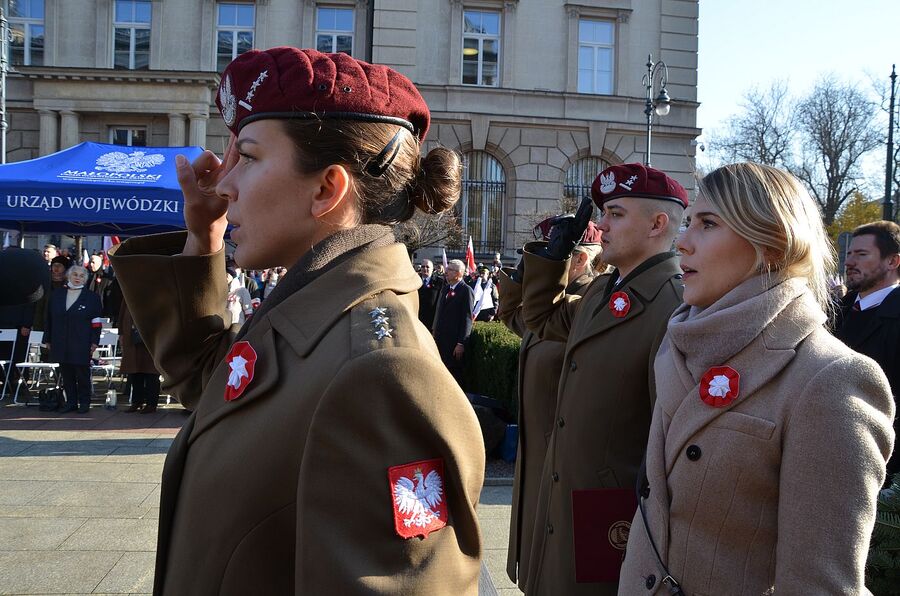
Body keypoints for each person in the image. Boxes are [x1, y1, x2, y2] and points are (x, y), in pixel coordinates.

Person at [109, 47, 484, 595]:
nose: (223, 184)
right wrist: (203, 241)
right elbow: (215, 388)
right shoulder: (314, 307)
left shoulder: (380, 370)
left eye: (250, 158)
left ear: (327, 189)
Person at [619, 163, 895, 594]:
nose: (683, 241)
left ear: (772, 245)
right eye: (689, 221)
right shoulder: (678, 345)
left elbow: (819, 585)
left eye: (708, 224)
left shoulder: (832, 378)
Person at [500, 163, 686, 595]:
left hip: (615, 514)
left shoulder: (673, 305)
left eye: (616, 214)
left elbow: (671, 438)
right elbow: (541, 319)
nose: (601, 226)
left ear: (658, 223)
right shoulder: (603, 292)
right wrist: (552, 257)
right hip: (566, 498)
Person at [498, 219, 604, 592]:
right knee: (535, 564)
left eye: (558, 252)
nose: (548, 257)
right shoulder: (554, 302)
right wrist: (518, 276)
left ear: (581, 259)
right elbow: (518, 321)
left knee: (558, 568)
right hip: (538, 454)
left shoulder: (586, 300)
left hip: (562, 458)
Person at [832, 220, 900, 473]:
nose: (849, 262)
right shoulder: (836, 311)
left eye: (862, 255)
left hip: (880, 464)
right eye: (850, 254)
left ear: (893, 262)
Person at [46, 265, 102, 414]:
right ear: (69, 276)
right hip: (60, 340)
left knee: (82, 374)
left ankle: (84, 402)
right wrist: (48, 339)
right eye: (75, 275)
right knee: (66, 374)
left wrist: (95, 341)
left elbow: (96, 322)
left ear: (85, 279)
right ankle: (71, 402)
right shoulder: (57, 295)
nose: (78, 278)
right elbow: (49, 319)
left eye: (81, 275)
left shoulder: (92, 298)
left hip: (81, 341)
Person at [431, 259, 475, 384]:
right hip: (441, 340)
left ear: (459, 273)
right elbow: (440, 313)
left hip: (453, 344)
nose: (446, 272)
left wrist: (461, 343)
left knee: (453, 376)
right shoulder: (445, 289)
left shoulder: (466, 291)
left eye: (450, 269)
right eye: (447, 268)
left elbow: (467, 319)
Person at [119, 296, 161, 414]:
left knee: (151, 372)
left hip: (152, 337)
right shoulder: (129, 287)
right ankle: (136, 402)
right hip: (132, 336)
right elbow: (122, 312)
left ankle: (151, 403)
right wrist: (121, 332)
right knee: (134, 371)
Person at [417, 258, 444, 328]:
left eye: (427, 267)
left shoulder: (440, 282)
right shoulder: (415, 280)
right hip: (417, 318)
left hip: (431, 320)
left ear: (432, 269)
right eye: (423, 266)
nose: (425, 268)